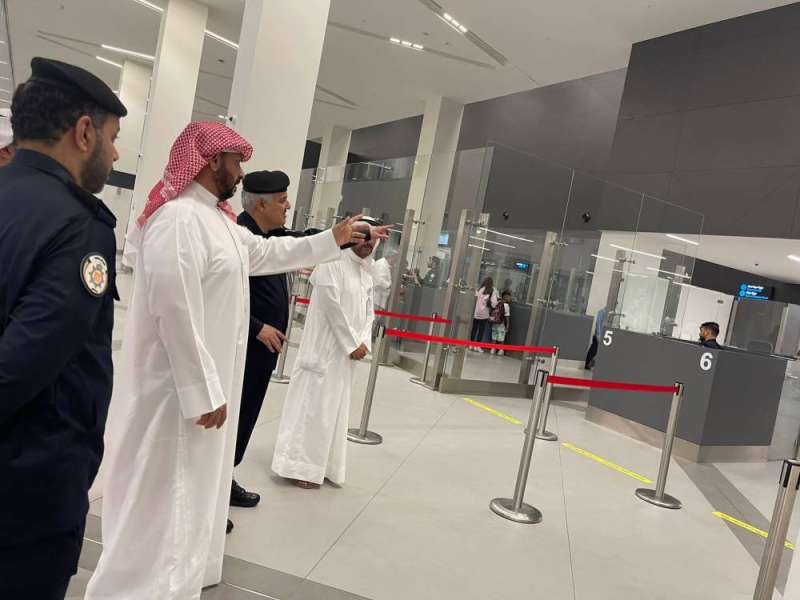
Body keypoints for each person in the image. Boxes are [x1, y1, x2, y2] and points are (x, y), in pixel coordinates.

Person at [85, 122, 376, 600]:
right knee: (164, 497)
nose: (241, 173)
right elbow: (173, 310)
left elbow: (271, 252)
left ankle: (182, 582)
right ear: (211, 160)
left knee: (194, 494)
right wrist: (200, 389)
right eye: (236, 162)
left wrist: (334, 238)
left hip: (207, 393)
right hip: (175, 398)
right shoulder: (178, 220)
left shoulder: (217, 221)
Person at [0, 57, 126, 599]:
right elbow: (19, 366)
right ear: (84, 132)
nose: (114, 154)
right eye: (113, 138)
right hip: (26, 495)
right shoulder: (80, 227)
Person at [231, 169, 322, 508]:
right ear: (261, 205)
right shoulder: (239, 237)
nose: (288, 206)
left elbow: (304, 239)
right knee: (233, 418)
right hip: (242, 348)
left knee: (246, 417)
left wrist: (347, 236)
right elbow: (224, 296)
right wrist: (257, 327)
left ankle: (224, 477)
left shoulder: (272, 234)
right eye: (282, 201)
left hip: (262, 353)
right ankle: (213, 488)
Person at [272, 219, 378, 489]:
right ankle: (299, 467)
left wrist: (363, 341)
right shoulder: (332, 262)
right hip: (323, 353)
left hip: (346, 357)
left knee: (334, 411)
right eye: (364, 236)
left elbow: (369, 313)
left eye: (372, 239)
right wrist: (351, 343)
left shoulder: (366, 272)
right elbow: (332, 307)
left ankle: (325, 467)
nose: (368, 244)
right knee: (313, 410)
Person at [470, 277, 499, 352]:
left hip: (476, 312)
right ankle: (477, 346)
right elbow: (494, 303)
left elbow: (475, 297)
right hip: (484, 314)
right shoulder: (492, 291)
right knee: (481, 330)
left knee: (474, 329)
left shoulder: (480, 289)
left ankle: (471, 344)